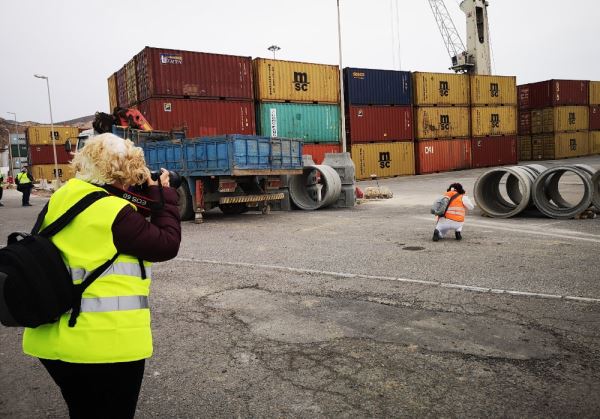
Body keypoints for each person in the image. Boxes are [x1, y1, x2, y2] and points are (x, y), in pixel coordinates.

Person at [22, 133, 181, 419]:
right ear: (125, 169)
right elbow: (166, 244)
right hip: (104, 346)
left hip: (52, 342)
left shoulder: (64, 196)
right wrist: (165, 196)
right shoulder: (114, 211)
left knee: (83, 411)